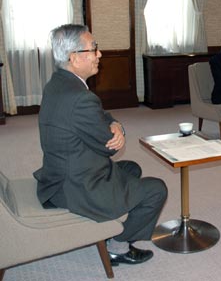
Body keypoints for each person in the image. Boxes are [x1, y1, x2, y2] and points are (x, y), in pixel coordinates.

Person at [33, 24, 168, 266]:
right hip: (75, 187)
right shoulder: (80, 97)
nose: (99, 54)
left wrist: (115, 123)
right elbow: (109, 147)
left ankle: (108, 230)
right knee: (156, 189)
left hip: (61, 175)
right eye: (93, 48)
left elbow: (100, 114)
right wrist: (118, 133)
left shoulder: (59, 83)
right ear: (74, 58)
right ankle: (117, 246)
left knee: (132, 169)